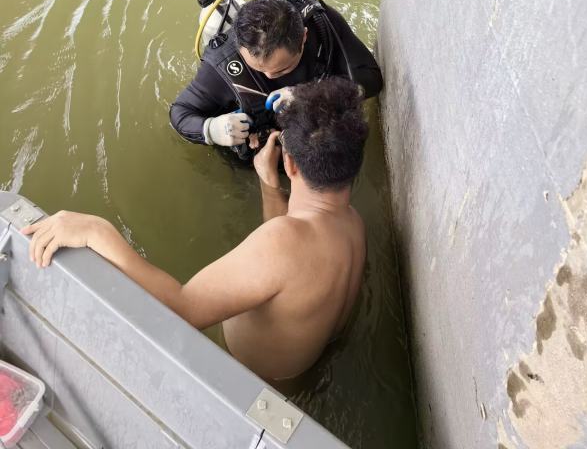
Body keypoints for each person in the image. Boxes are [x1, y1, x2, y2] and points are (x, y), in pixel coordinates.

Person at [22, 77, 368, 381]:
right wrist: (269, 186)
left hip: (249, 381)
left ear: (289, 162)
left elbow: (182, 309)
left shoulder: (282, 243)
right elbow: (289, 260)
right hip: (300, 370)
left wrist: (97, 232)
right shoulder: (352, 224)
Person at [169, 0, 382, 154]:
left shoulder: (322, 26)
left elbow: (372, 79)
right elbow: (180, 112)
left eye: (282, 69)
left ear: (304, 37)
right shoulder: (222, 66)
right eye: (259, 69)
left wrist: (309, 94)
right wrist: (212, 130)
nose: (270, 76)